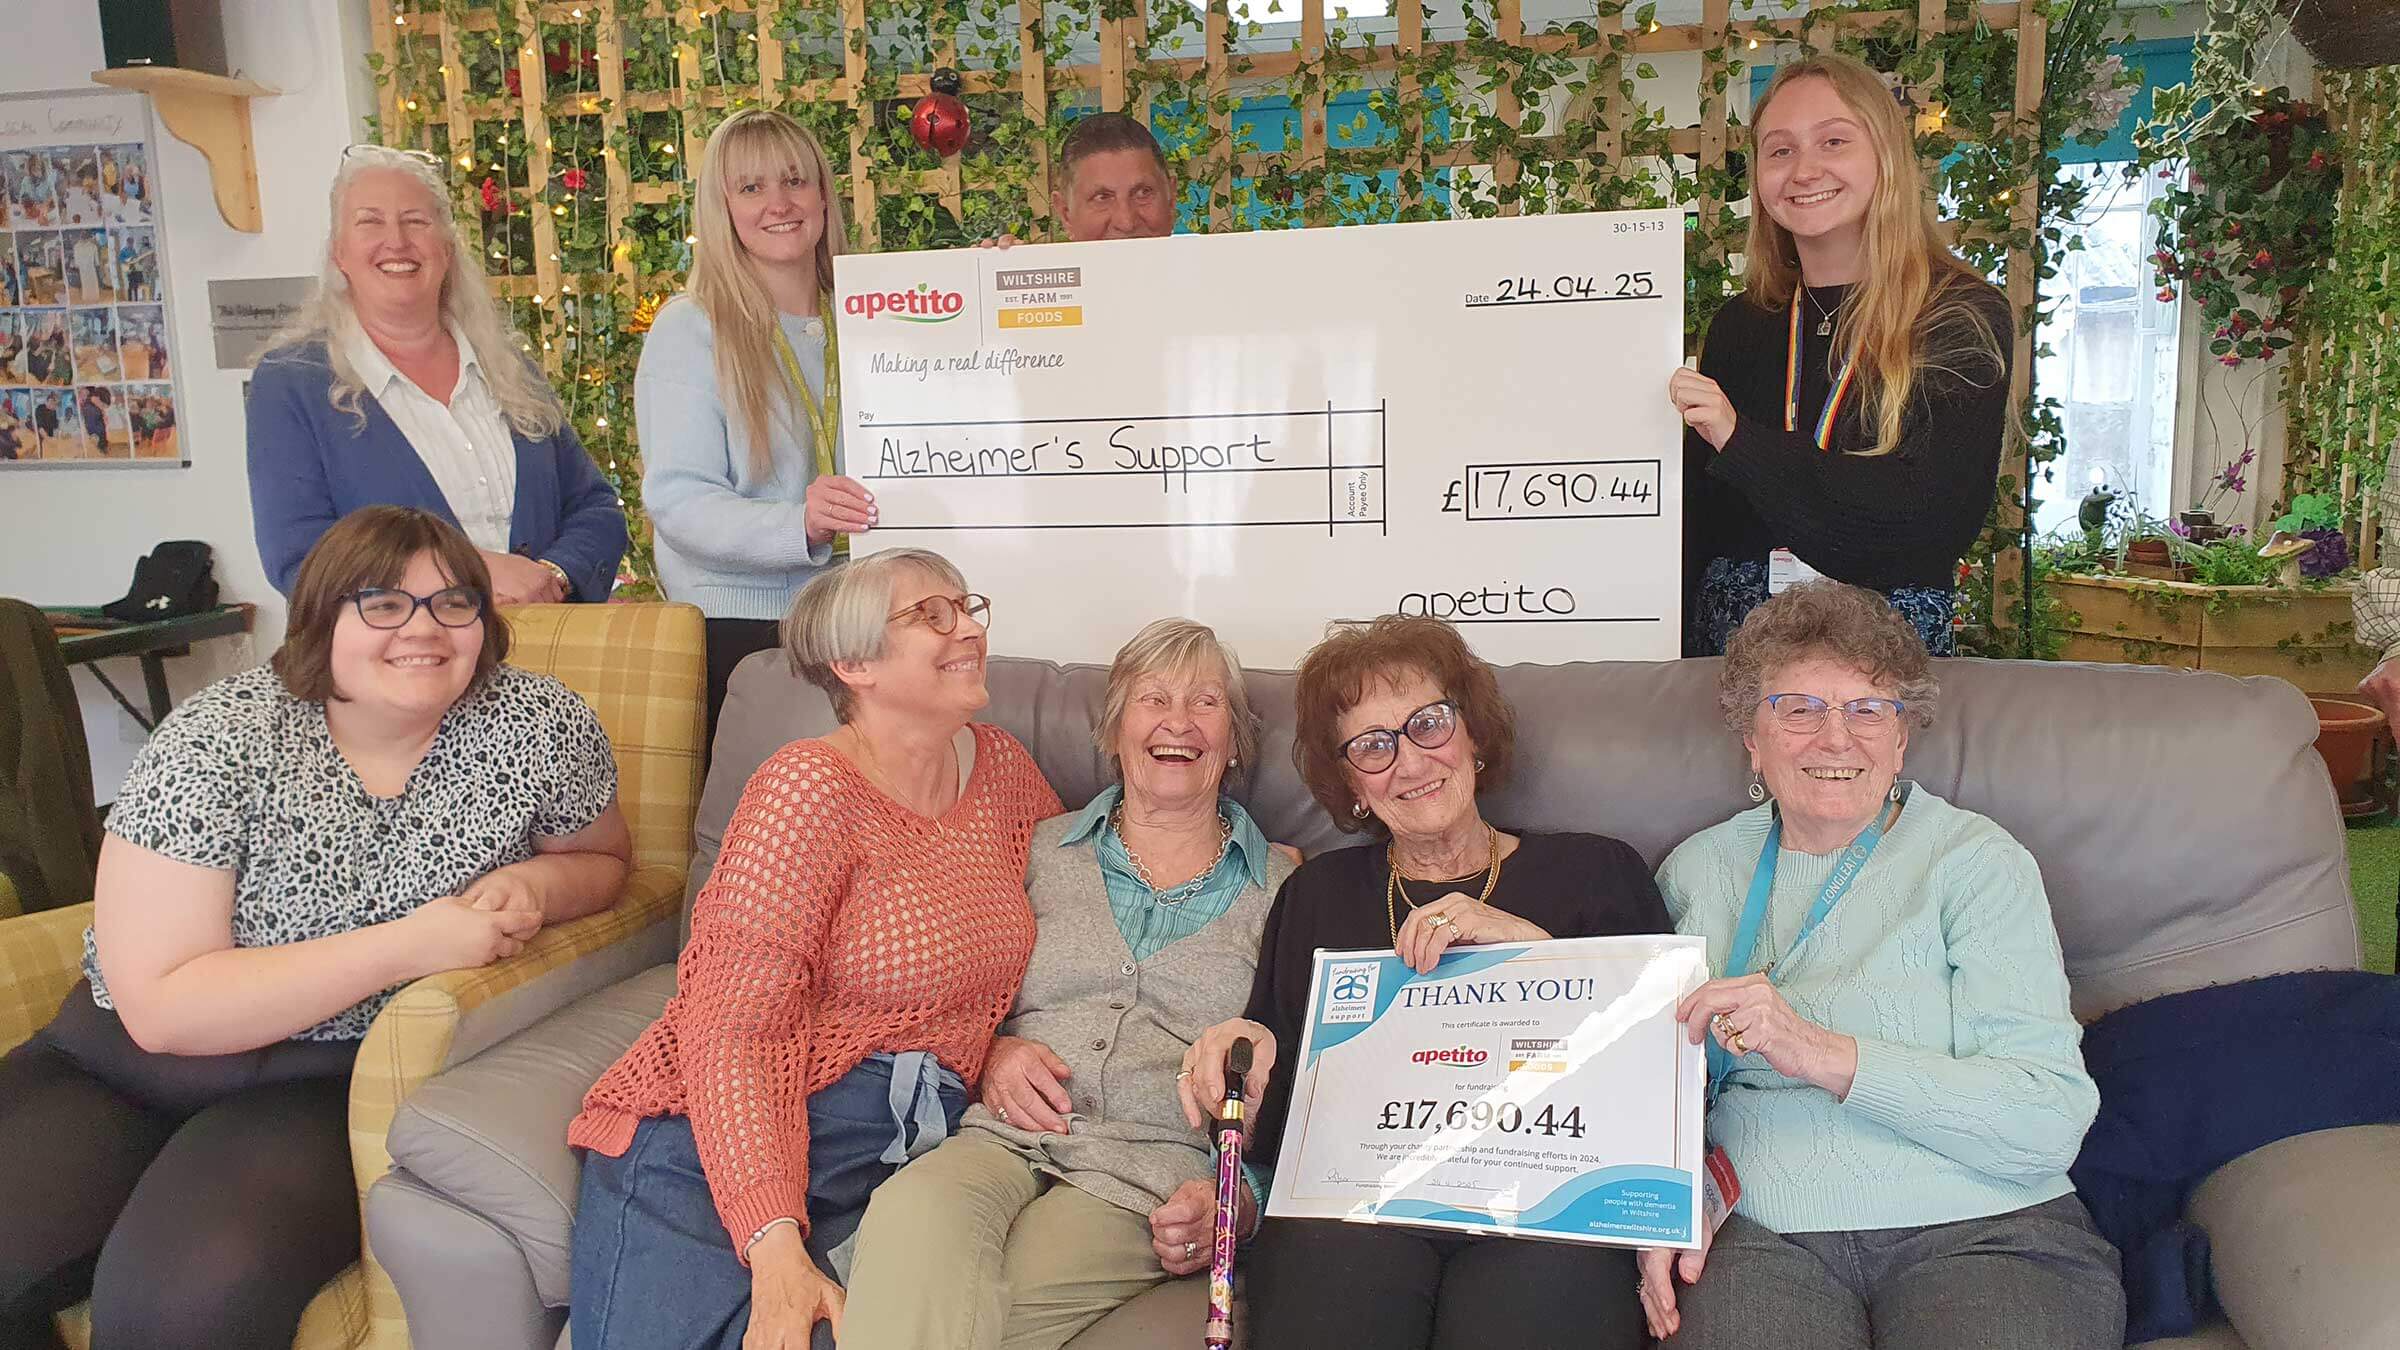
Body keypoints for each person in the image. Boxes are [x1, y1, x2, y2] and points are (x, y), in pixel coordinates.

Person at [0, 505, 631, 1349]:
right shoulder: (221, 736)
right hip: (121, 1060)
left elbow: (604, 862)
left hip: (320, 1080)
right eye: (382, 604)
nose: (424, 629)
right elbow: (164, 1008)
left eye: (455, 604)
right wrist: (412, 942)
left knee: (181, 1307)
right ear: (320, 617)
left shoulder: (536, 724)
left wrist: (535, 884)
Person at [568, 548, 1063, 1350]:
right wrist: (773, 1244)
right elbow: (735, 1030)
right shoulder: (806, 790)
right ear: (854, 661)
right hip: (714, 1149)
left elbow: (1081, 896)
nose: (968, 629)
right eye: (930, 615)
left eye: (966, 607)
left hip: (893, 1153)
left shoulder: (1001, 770)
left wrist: (996, 1044)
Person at [1637, 580, 2118, 1348]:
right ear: (1751, 739)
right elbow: (1648, 1085)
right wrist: (1661, 1202)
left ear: (1903, 740)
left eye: (1868, 710)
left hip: (1985, 1226)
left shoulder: (1976, 864)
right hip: (1762, 1235)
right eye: (1800, 709)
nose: (1836, 738)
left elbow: (2047, 1120)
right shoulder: (1697, 872)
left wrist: (1819, 1052)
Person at [1182, 614, 1664, 1350]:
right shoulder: (1316, 896)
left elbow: (1662, 1077)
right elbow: (1276, 1120)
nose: (1408, 762)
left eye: (1428, 725)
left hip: (1545, 1208)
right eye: (1372, 746)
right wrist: (1239, 1061)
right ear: (1350, 784)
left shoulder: (1599, 871)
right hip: (1358, 1210)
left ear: (1473, 737)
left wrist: (1533, 952)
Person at [842, 619, 1299, 1349]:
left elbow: (1307, 1074)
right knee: (907, 1215)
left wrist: (1238, 1200)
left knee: (987, 1313)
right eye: (1153, 699)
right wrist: (990, 1051)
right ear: (1113, 729)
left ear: (1236, 740)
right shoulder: (1034, 849)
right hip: (1001, 1135)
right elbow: (941, 990)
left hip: (1142, 1172)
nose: (1178, 721)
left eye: (1205, 702)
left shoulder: (1287, 889)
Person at [1670, 54, 2011, 658]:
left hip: (1885, 651)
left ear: (1885, 155)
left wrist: (1739, 440)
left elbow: (1922, 521)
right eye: (1779, 150)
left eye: (1833, 140)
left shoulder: (1958, 314)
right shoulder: (1740, 325)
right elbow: (1698, 525)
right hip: (1731, 648)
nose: (1804, 170)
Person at [247, 144, 628, 603]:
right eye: (370, 221)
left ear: (446, 249)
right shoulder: (291, 383)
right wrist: (472, 573)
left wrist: (552, 576)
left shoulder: (508, 368)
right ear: (339, 253)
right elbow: (300, 555)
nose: (397, 241)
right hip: (391, 667)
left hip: (544, 658)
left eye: (416, 221)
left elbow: (595, 507)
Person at [638, 109, 878, 737]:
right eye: (751, 187)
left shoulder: (874, 314)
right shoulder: (692, 328)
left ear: (824, 194)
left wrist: (991, 285)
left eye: (796, 181)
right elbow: (679, 501)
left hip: (868, 620)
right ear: (723, 208)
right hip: (748, 633)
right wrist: (797, 522)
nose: (780, 203)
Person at [983, 112, 1177, 246]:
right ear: (1066, 213)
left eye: (1143, 193)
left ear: (1171, 198)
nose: (1126, 222)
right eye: (1102, 197)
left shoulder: (1205, 281)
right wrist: (985, 287)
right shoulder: (1047, 297)